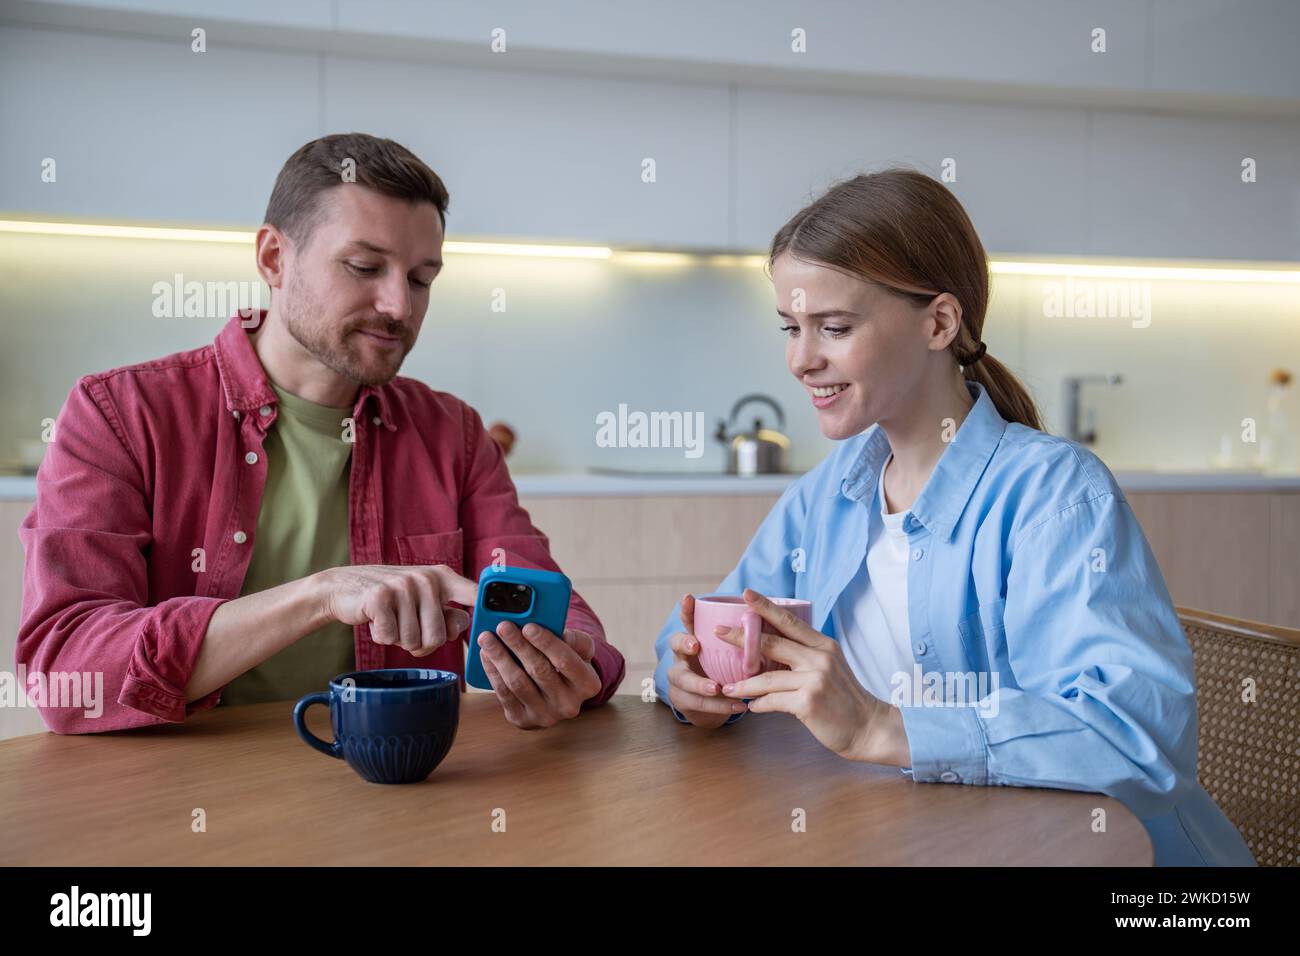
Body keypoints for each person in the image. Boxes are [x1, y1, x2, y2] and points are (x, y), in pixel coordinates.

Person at [653, 168, 1254, 866]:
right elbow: (711, 619)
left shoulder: (1054, 495)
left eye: (834, 327)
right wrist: (691, 683)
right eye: (791, 327)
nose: (799, 358)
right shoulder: (831, 494)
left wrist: (882, 725)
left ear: (939, 321)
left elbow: (1136, 738)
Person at [18, 133, 624, 734]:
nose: (398, 306)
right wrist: (322, 595)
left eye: (420, 279)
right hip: (184, 799)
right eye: (365, 267)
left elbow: (557, 608)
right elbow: (69, 671)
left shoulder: (453, 435)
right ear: (274, 259)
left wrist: (571, 663)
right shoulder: (120, 414)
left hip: (394, 791)